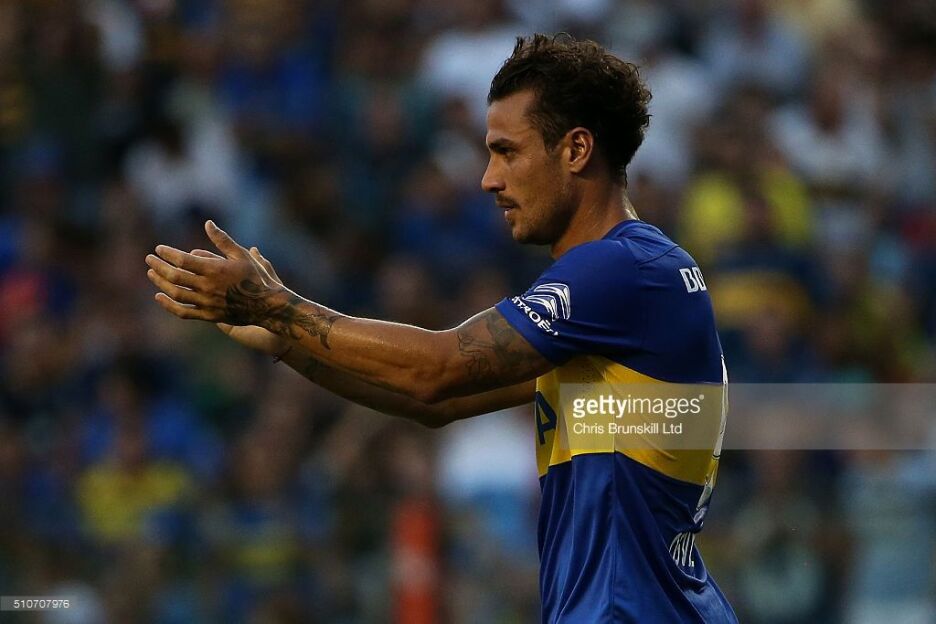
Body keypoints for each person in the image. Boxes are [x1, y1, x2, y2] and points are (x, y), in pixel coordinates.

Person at [146, 33, 738, 624]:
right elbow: (439, 402)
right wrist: (288, 341)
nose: (489, 179)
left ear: (577, 149)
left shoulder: (621, 270)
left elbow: (439, 368)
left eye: (507, 152)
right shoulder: (633, 285)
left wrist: (279, 306)